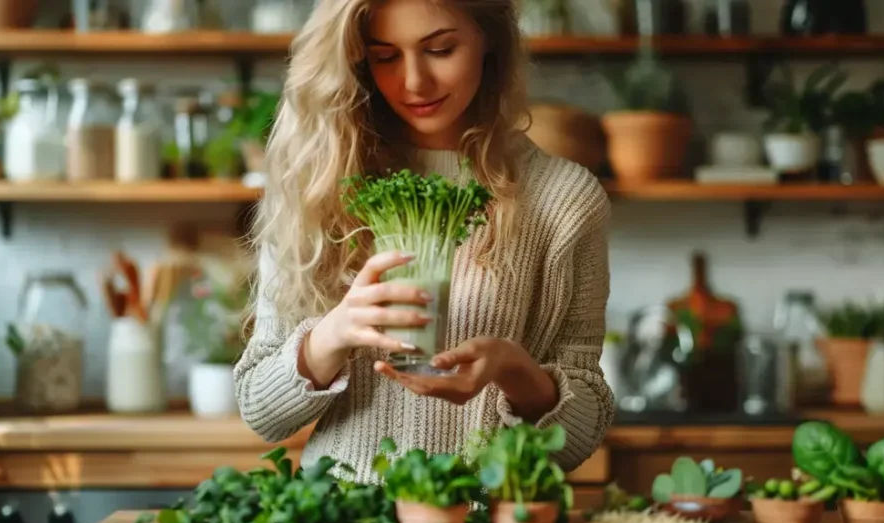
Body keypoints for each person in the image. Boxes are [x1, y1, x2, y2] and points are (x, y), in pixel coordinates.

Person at [234, 0, 613, 484]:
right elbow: (260, 412)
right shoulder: (318, 181)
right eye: (385, 56)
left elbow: (581, 435)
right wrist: (333, 334)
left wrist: (513, 370)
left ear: (490, 40)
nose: (414, 82)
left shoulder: (565, 199)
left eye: (439, 49)